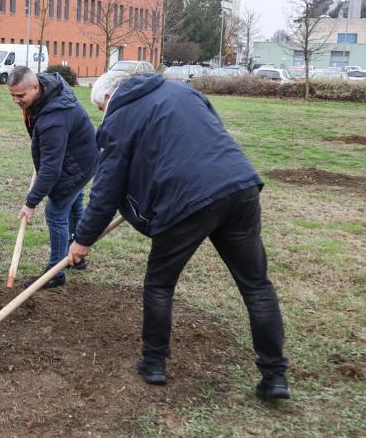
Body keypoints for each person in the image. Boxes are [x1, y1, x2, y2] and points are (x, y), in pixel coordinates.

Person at [68, 71, 290, 400]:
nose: (105, 116)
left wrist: (82, 240)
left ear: (107, 98)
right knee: (257, 286)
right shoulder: (183, 91)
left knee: (160, 284)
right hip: (239, 186)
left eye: (102, 109)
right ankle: (275, 377)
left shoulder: (119, 116)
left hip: (185, 202)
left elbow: (105, 191)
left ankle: (154, 363)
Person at [7, 66, 98, 289]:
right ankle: (76, 256)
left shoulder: (53, 120)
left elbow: (51, 169)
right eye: (12, 95)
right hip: (81, 157)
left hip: (76, 165)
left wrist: (31, 203)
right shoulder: (47, 92)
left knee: (56, 212)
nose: (16, 100)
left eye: (21, 95)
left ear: (36, 87)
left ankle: (55, 272)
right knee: (75, 204)